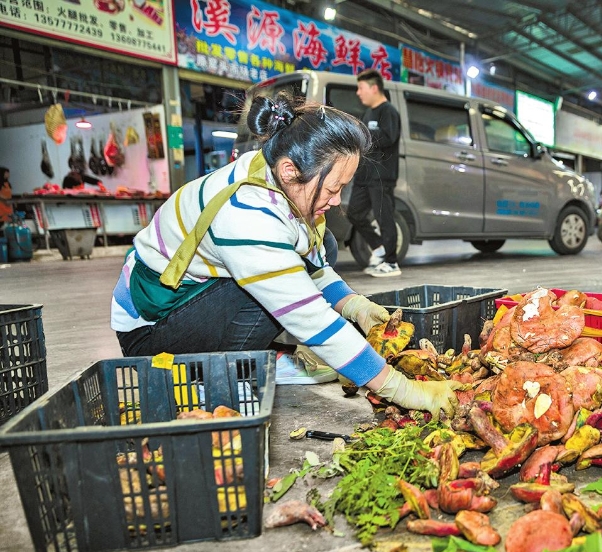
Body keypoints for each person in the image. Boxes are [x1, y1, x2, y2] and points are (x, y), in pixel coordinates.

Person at [110, 92, 459, 416]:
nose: (337, 199)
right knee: (267, 297)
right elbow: (310, 316)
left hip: (190, 302)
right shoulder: (247, 214)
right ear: (291, 171)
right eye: (333, 187)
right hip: (153, 335)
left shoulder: (272, 170)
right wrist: (402, 389)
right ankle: (219, 381)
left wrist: (355, 305)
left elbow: (313, 262)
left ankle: (256, 357)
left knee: (324, 247)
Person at [347, 68, 402, 278]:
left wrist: (362, 131)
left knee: (384, 217)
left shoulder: (388, 111)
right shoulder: (367, 113)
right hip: (364, 174)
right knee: (354, 212)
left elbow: (389, 138)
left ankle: (391, 262)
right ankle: (378, 247)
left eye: (361, 88)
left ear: (374, 88)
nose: (358, 93)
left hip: (382, 175)